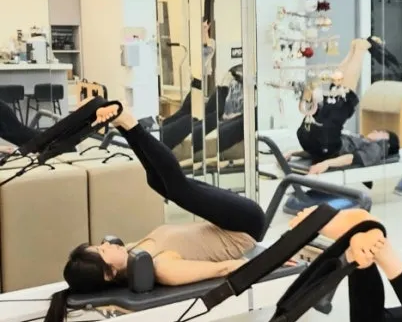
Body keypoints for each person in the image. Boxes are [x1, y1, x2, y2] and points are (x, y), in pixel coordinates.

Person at [62, 102, 267, 293]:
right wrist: (277, 258)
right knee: (180, 190)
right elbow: (225, 268)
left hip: (225, 224)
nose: (107, 244)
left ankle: (123, 126)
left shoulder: (133, 252)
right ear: (109, 274)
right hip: (244, 227)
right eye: (102, 251)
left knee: (157, 182)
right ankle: (129, 123)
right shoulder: (162, 268)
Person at [285, 38, 400, 175]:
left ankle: (360, 49)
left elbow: (350, 158)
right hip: (318, 142)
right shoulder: (362, 140)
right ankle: (353, 50)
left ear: (387, 141)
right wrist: (294, 153)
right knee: (335, 92)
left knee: (345, 97)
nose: (375, 130)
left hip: (326, 143)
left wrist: (326, 164)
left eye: (381, 132)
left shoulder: (377, 149)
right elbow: (316, 151)